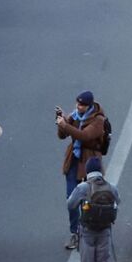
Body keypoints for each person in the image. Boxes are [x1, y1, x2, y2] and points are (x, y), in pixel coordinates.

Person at [67, 157, 120, 262]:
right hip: (105, 232)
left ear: (87, 171)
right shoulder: (111, 187)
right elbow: (117, 203)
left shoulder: (83, 187)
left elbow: (70, 204)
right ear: (101, 171)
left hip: (87, 233)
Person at [56, 90, 106, 249]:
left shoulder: (98, 120)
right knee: (72, 198)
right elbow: (62, 135)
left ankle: (90, 231)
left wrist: (66, 126)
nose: (78, 107)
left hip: (89, 161)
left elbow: (84, 136)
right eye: (77, 104)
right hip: (74, 160)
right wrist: (62, 122)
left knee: (89, 199)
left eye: (82, 105)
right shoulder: (75, 115)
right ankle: (75, 232)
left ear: (89, 106)